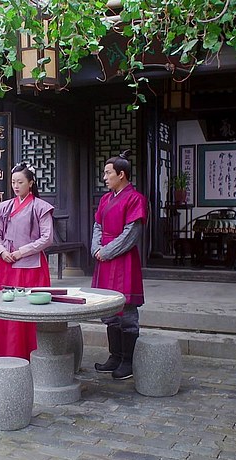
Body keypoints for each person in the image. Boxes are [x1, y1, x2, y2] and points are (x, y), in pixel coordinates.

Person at [0, 162, 54, 359]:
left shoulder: (40, 207)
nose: (16, 186)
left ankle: (31, 355)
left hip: (31, 267)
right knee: (6, 309)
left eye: (20, 182)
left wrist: (21, 252)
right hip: (7, 264)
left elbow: (47, 238)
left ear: (31, 183)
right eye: (13, 182)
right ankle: (3, 353)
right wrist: (1, 251)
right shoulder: (4, 207)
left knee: (29, 310)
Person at [92, 150, 148, 380]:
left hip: (123, 259)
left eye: (108, 173)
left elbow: (131, 234)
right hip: (104, 259)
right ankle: (114, 356)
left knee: (126, 310)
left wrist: (106, 251)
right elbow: (97, 225)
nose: (104, 177)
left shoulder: (136, 199)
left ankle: (128, 361)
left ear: (121, 174)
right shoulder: (105, 199)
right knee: (109, 310)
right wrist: (96, 248)